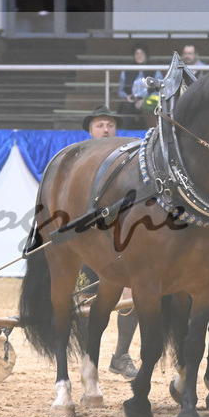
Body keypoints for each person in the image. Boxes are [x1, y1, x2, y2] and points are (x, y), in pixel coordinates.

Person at [74, 105, 139, 379]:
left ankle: (121, 355)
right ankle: (88, 358)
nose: (106, 129)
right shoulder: (76, 162)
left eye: (110, 125)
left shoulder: (127, 163)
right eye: (100, 125)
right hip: (84, 243)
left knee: (131, 294)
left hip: (118, 241)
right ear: (90, 131)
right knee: (84, 302)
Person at [116, 43, 162, 128]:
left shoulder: (155, 71)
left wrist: (145, 100)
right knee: (125, 108)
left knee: (150, 107)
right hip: (132, 100)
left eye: (141, 53)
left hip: (148, 101)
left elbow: (159, 91)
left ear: (146, 55)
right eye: (137, 53)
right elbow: (121, 91)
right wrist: (127, 97)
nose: (139, 56)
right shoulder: (126, 71)